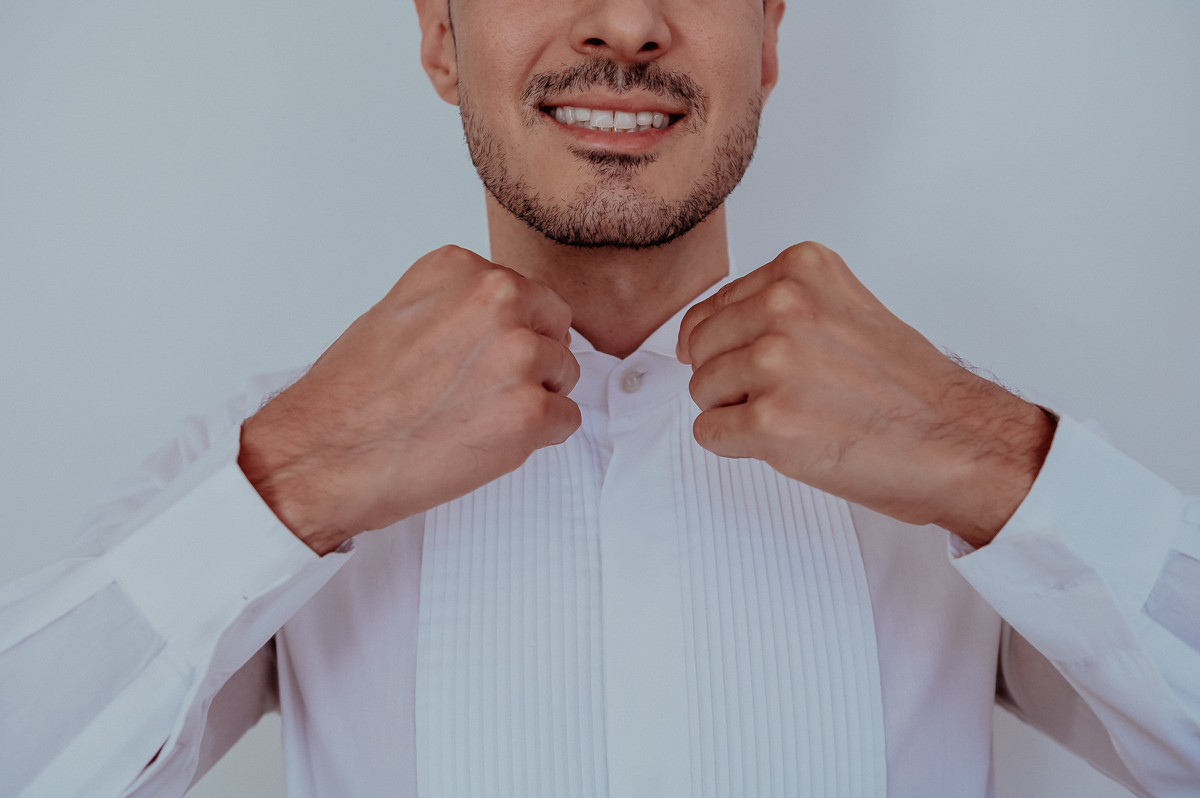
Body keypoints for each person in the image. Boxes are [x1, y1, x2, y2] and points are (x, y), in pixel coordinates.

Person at [1, 0, 1197, 794]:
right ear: (439, 36)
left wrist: (986, 457)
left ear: (769, 39)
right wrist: (296, 479)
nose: (627, 21)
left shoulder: (966, 455)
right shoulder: (267, 464)